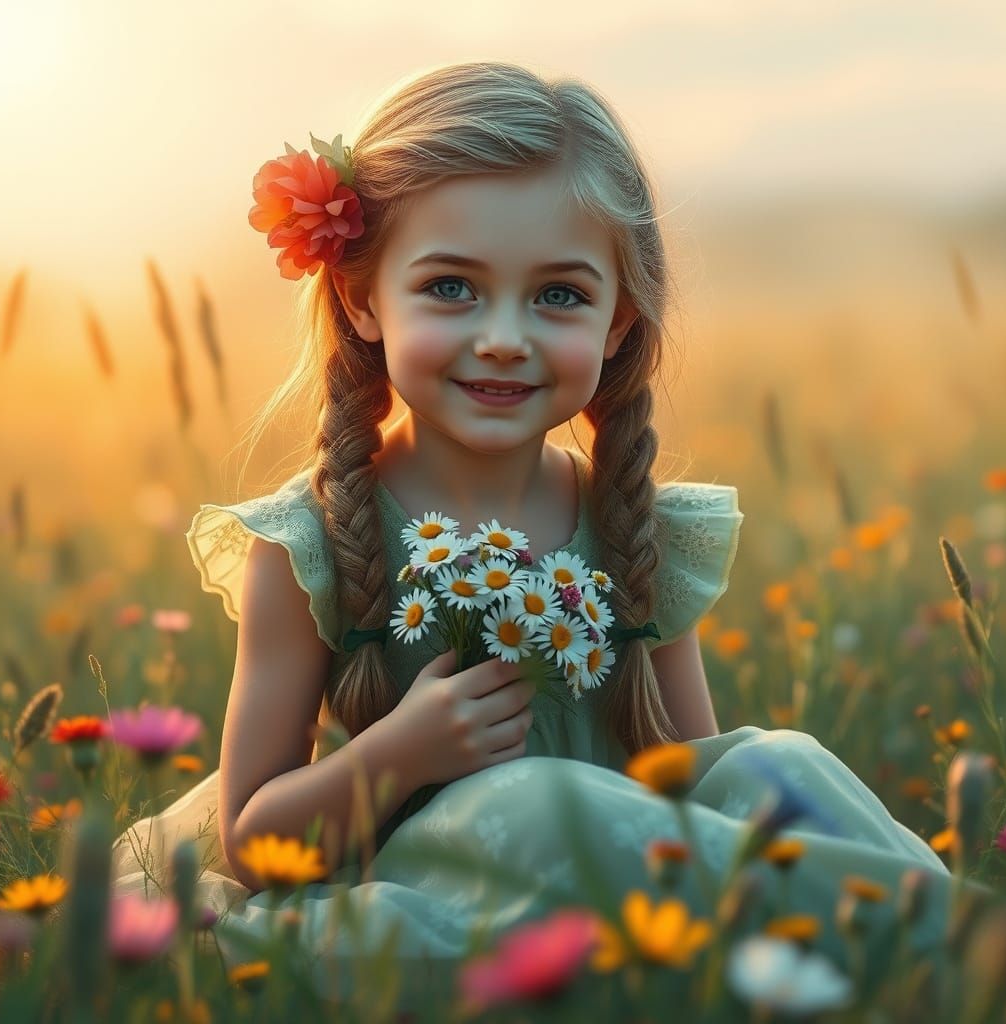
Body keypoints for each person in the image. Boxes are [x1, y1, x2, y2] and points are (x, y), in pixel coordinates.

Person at [112, 60, 958, 1009]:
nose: (505, 336)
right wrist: (399, 755)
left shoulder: (635, 528)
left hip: (610, 900)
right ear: (361, 300)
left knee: (780, 762)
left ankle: (948, 956)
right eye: (450, 288)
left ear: (616, 320)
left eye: (557, 295)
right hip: (424, 907)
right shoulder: (306, 544)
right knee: (535, 803)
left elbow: (699, 783)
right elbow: (254, 842)